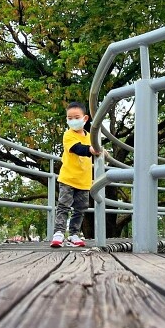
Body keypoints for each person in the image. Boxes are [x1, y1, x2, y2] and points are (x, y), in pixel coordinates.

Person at [50, 101, 100, 248]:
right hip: (68, 178)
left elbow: (96, 150)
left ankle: (74, 234)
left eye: (76, 117)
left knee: (81, 209)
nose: (72, 121)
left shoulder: (91, 136)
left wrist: (100, 151)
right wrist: (91, 149)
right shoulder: (68, 135)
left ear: (85, 118)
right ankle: (58, 233)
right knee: (63, 206)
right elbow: (77, 148)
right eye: (69, 118)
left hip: (84, 180)